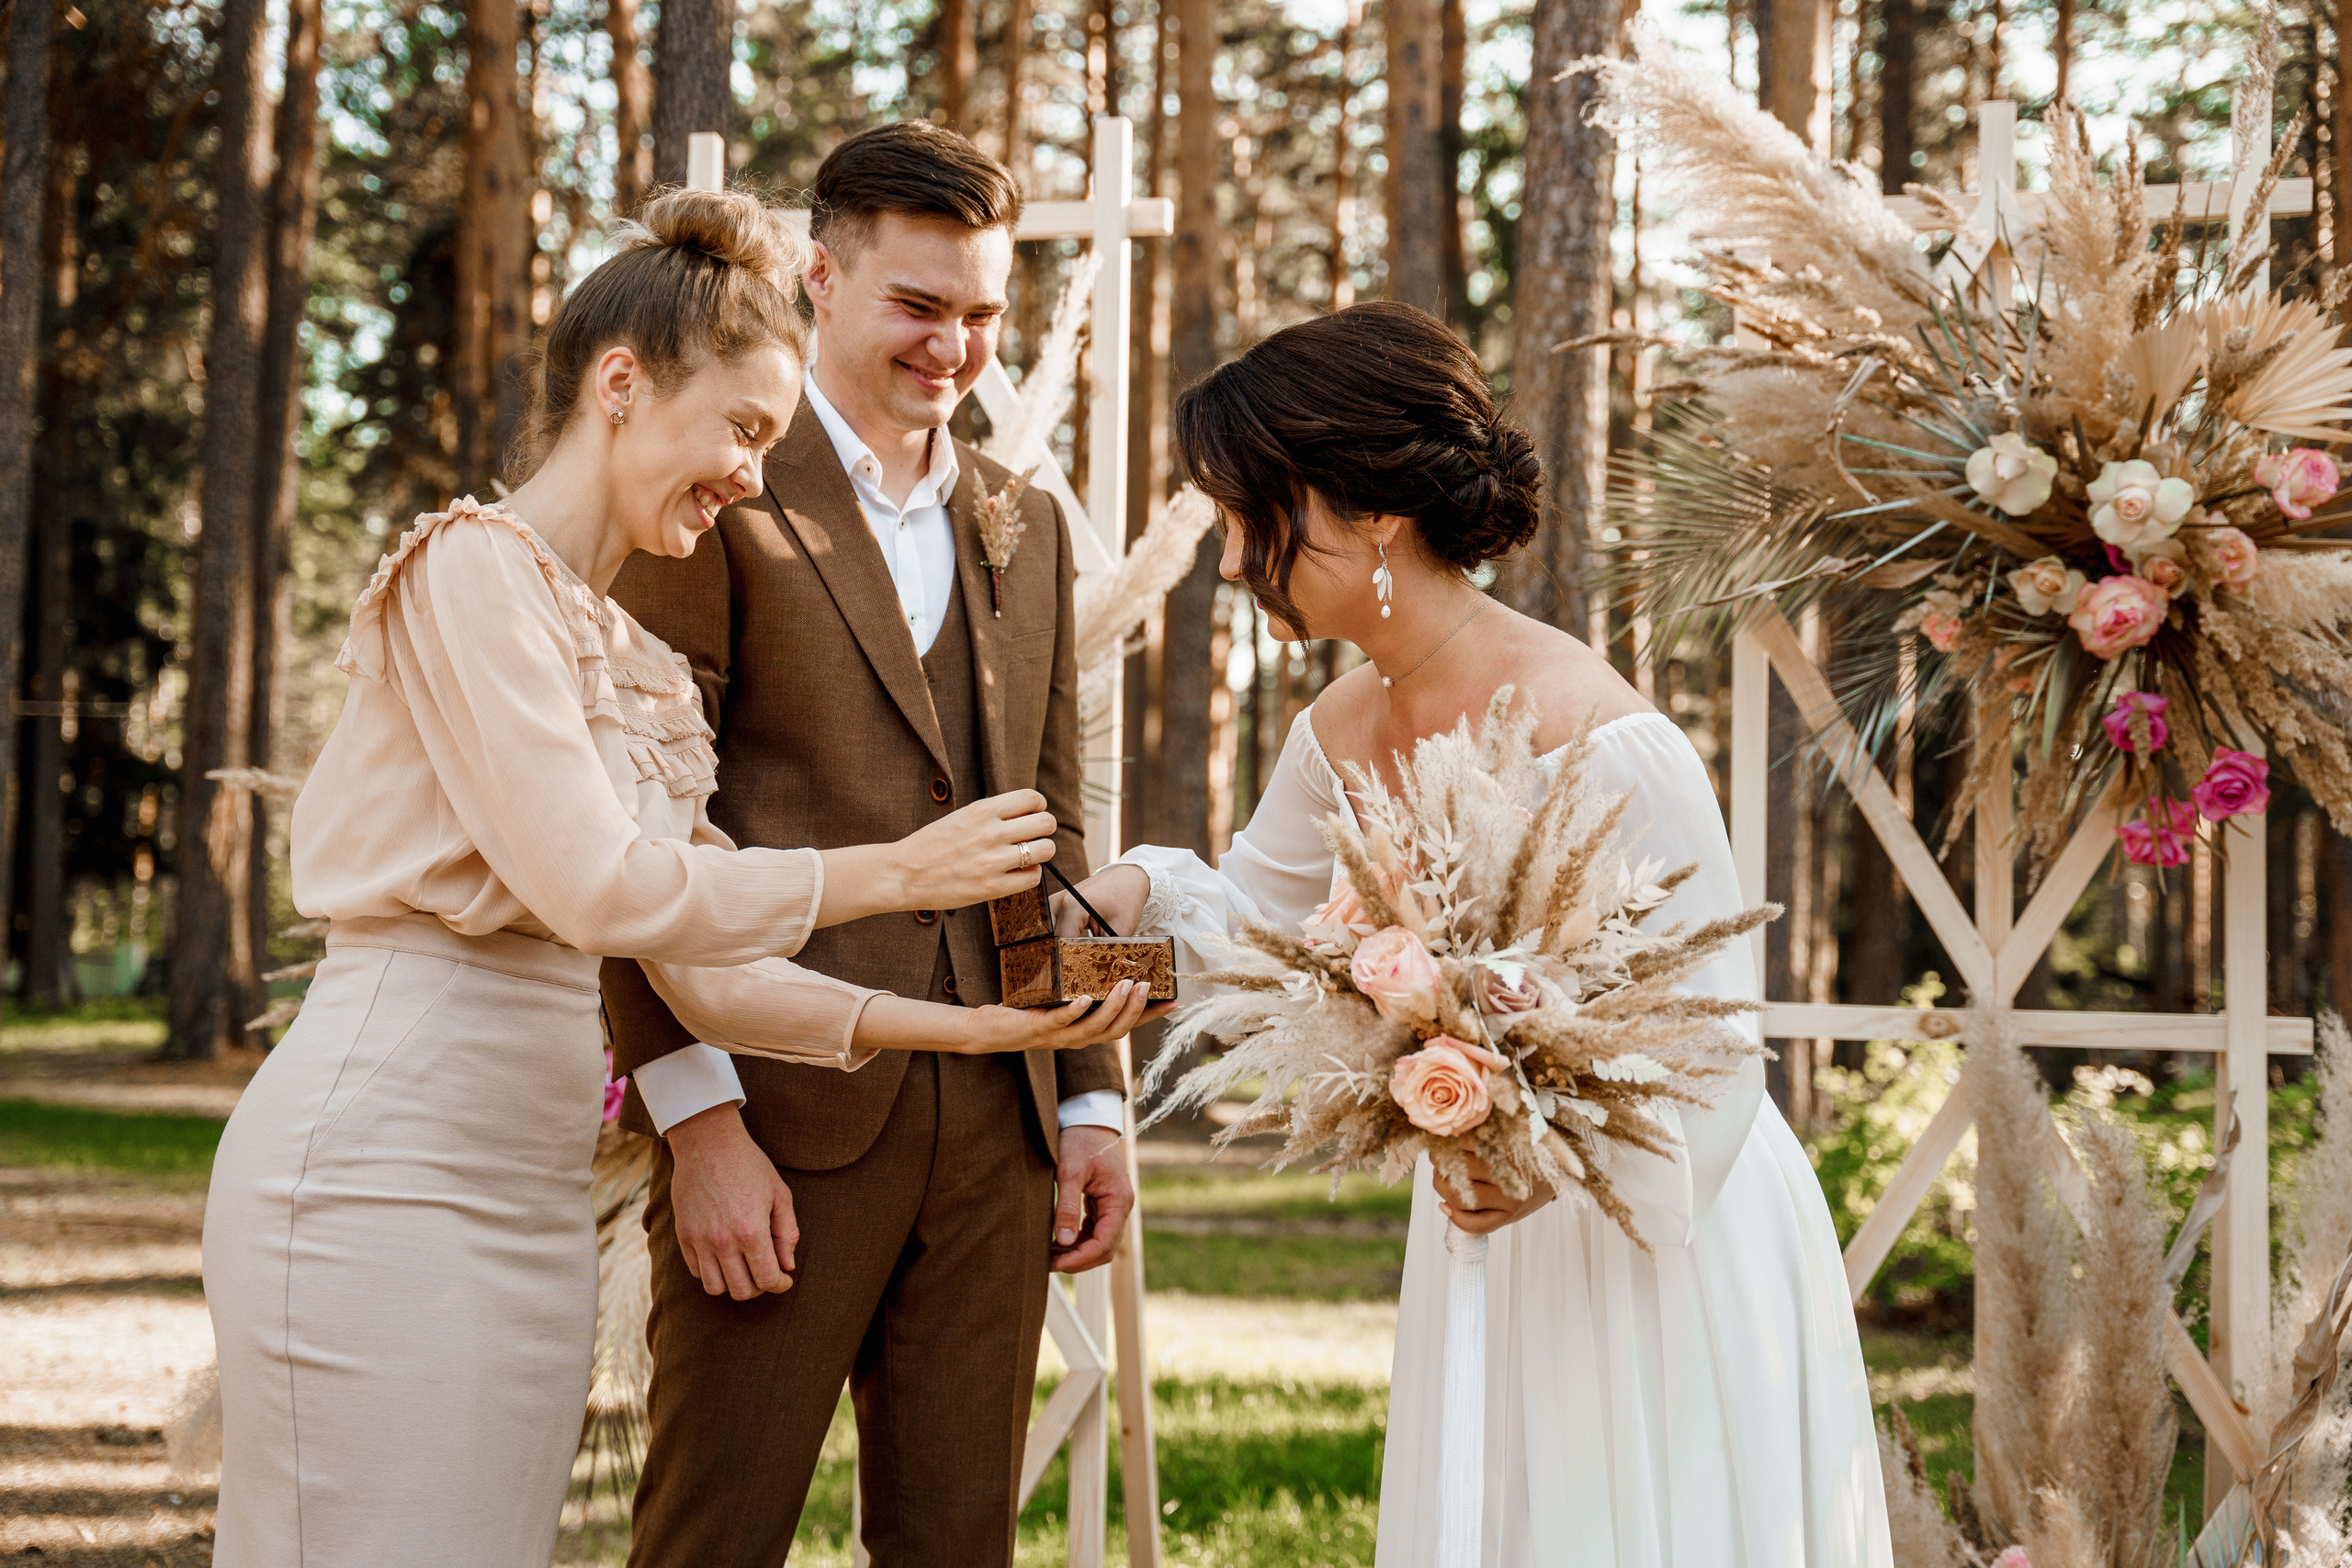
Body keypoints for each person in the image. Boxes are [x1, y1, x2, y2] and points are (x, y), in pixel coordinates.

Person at [198, 186, 1156, 1568]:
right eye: (747, 431)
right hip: (385, 1158)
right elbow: (606, 894)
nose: (756, 476)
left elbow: (714, 970)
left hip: (525, 1184)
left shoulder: (628, 656)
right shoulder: (469, 572)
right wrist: (891, 875)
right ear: (621, 382)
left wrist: (996, 1033)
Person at [1057, 301, 1894, 1567]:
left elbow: (1714, 1050)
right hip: (1481, 1229)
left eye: (1249, 516)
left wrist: (1547, 1155)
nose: (1231, 561)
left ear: (1365, 509)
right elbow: (1252, 937)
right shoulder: (1338, 727)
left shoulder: (1605, 736)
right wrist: (1132, 886)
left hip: (1652, 1232)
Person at [597, 121, 1146, 1568]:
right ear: (822, 282)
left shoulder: (1027, 524)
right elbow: (640, 836)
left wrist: (1086, 1102)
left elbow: (1056, 828)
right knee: (713, 1538)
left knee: (957, 1545)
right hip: (777, 1116)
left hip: (999, 1138)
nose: (953, 347)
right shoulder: (716, 499)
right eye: (919, 305)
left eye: (980, 312)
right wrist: (696, 1118)